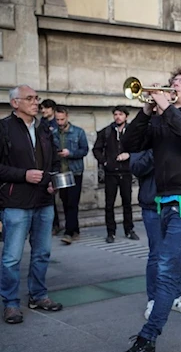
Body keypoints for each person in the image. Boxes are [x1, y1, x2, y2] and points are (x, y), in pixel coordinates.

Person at [122, 66, 181, 352]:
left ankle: (147, 338)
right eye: (173, 81)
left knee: (166, 267)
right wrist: (147, 112)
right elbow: (130, 143)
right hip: (164, 200)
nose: (175, 85)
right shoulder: (160, 119)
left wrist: (166, 108)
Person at [0, 85, 63, 324]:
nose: (36, 102)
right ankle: (11, 303)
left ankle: (38, 295)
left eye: (36, 98)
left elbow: (53, 161)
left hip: (44, 200)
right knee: (12, 257)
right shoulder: (3, 128)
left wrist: (51, 182)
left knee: (42, 253)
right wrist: (23, 175)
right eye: (30, 98)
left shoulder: (44, 128)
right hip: (16, 201)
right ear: (15, 103)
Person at [129, 150, 181, 322]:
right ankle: (154, 299)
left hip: (176, 202)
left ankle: (175, 296)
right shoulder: (145, 136)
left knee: (178, 253)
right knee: (157, 253)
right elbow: (136, 167)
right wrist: (155, 149)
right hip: (152, 204)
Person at [92, 106, 138, 243]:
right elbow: (96, 149)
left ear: (126, 116)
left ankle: (129, 229)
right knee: (109, 204)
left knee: (127, 203)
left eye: (121, 114)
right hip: (110, 173)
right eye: (116, 114)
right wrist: (105, 162)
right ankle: (110, 232)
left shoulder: (132, 131)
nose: (118, 117)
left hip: (126, 172)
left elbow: (139, 148)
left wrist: (129, 155)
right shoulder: (106, 132)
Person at [53, 105, 89, 244]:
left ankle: (68, 233)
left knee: (73, 202)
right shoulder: (54, 133)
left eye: (62, 119)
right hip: (60, 173)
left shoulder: (78, 132)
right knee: (65, 201)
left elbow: (84, 150)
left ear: (67, 117)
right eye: (57, 120)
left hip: (75, 172)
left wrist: (70, 153)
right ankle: (75, 230)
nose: (60, 122)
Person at [40, 98, 61, 234]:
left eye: (45, 108)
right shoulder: (41, 123)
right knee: (48, 197)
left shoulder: (58, 123)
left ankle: (57, 225)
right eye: (41, 108)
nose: (42, 111)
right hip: (45, 163)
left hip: (58, 162)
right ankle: (53, 225)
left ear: (52, 109)